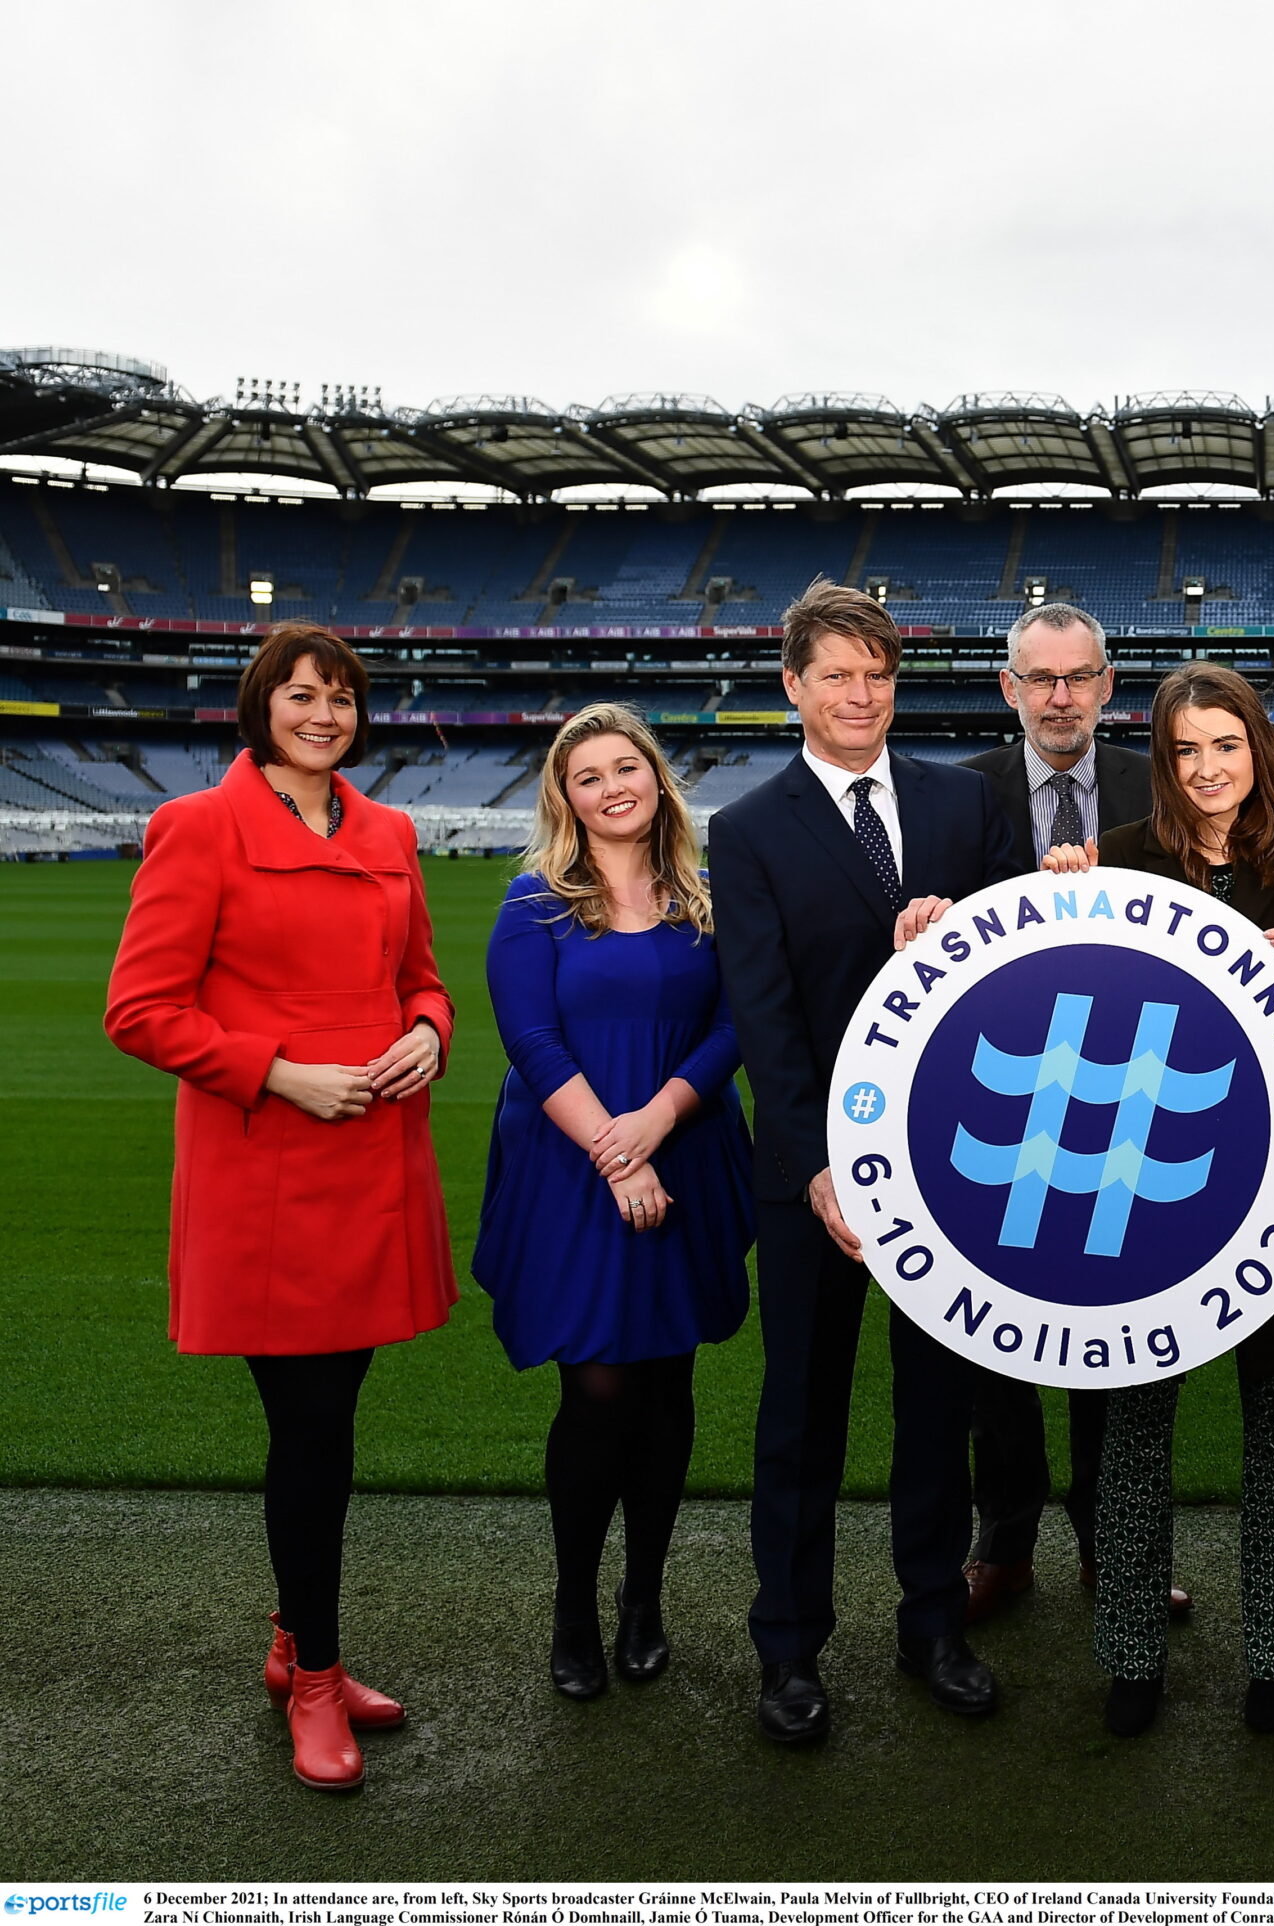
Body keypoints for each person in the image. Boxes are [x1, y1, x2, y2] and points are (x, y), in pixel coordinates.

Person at [104, 623, 455, 1795]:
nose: (324, 713)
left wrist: (426, 1034)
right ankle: (314, 1677)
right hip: (265, 1174)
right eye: (302, 695)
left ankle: (291, 1638)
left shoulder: (391, 831)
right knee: (310, 1435)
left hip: (372, 1162)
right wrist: (275, 1070)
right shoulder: (198, 827)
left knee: (331, 1421)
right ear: (261, 708)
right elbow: (140, 1009)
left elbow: (422, 977)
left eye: (343, 697)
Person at [708, 578, 1022, 1746]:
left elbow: (1010, 982)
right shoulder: (744, 833)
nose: (861, 694)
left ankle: (932, 1622)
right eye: (836, 675)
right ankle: (788, 1647)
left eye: (877, 674)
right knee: (802, 1413)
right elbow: (765, 1020)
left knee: (940, 1404)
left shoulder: (960, 803)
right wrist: (813, 1167)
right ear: (793, 686)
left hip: (948, 1165)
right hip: (816, 1183)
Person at [1042, 662, 1274, 1741]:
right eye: (1185, 751)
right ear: (1163, 766)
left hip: (1269, 1188)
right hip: (1140, 1184)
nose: (1209, 768)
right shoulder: (1117, 861)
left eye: (1227, 745)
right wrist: (1057, 900)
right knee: (1132, 1427)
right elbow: (1070, 1014)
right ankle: (1129, 1655)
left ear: (1256, 751)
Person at [475, 703, 754, 1699]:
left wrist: (659, 1123)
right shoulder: (533, 903)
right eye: (587, 775)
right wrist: (614, 1148)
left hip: (683, 1149)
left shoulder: (708, 899)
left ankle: (644, 1597)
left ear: (656, 779)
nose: (611, 787)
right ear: (565, 797)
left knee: (666, 1387)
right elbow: (530, 1039)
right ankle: (573, 1604)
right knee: (595, 1389)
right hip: (573, 1166)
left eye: (625, 766)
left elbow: (733, 1029)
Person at [957, 603, 1180, 1625]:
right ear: (1009, 688)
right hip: (997, 1109)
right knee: (993, 1347)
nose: (1058, 697)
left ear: (1105, 686)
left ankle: (1113, 1544)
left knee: (1118, 1341)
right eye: (1038, 679)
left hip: (1133, 1103)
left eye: (1077, 677)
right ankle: (1001, 1541)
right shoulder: (960, 798)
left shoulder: (1159, 789)